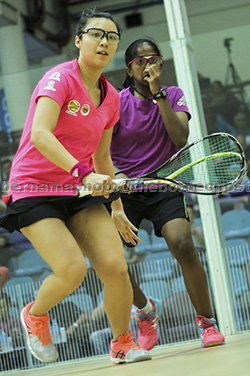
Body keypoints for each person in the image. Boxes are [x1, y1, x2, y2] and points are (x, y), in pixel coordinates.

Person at [0, 9, 151, 365]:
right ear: (78, 40)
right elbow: (39, 134)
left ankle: (122, 343)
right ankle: (35, 315)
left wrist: (115, 207)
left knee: (115, 267)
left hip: (77, 190)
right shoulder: (59, 79)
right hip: (33, 188)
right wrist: (82, 174)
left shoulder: (111, 97)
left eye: (112, 37)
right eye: (97, 34)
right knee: (72, 270)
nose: (105, 42)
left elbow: (102, 157)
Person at [110, 38, 226, 348]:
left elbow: (179, 138)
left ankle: (207, 323)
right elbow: (100, 149)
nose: (147, 66)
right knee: (107, 260)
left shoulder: (173, 95)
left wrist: (158, 92)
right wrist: (118, 176)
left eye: (153, 60)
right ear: (129, 68)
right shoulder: (116, 102)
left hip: (165, 185)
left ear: (161, 63)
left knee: (183, 244)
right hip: (126, 190)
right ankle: (146, 311)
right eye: (140, 62)